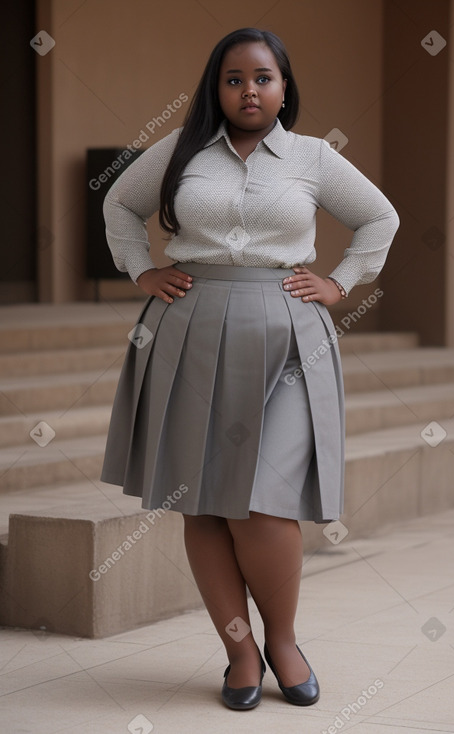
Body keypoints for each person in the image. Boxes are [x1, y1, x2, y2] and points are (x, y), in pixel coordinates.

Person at [101, 27, 400, 710]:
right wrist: (141, 268)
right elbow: (119, 204)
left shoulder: (312, 156)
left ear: (284, 86)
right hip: (190, 325)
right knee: (202, 500)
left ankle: (283, 639)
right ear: (216, 88)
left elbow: (378, 218)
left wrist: (342, 281)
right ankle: (239, 652)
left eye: (262, 77)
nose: (248, 90)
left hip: (288, 333)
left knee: (265, 502)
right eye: (233, 79)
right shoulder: (178, 151)